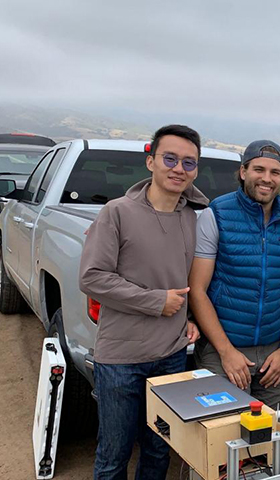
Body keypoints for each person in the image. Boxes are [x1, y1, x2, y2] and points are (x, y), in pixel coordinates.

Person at [79, 124, 206, 479]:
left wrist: (189, 317)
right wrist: (154, 302)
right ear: (150, 162)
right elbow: (92, 277)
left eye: (189, 162)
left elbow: (188, 280)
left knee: (158, 450)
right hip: (121, 359)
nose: (179, 168)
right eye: (170, 158)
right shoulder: (116, 213)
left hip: (171, 356)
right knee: (114, 454)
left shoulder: (191, 217)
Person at [190, 140, 280, 409]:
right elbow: (198, 290)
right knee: (221, 429)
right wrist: (225, 351)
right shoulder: (217, 215)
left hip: (273, 350)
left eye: (275, 172)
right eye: (259, 169)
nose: (266, 179)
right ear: (244, 172)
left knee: (275, 431)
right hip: (222, 346)